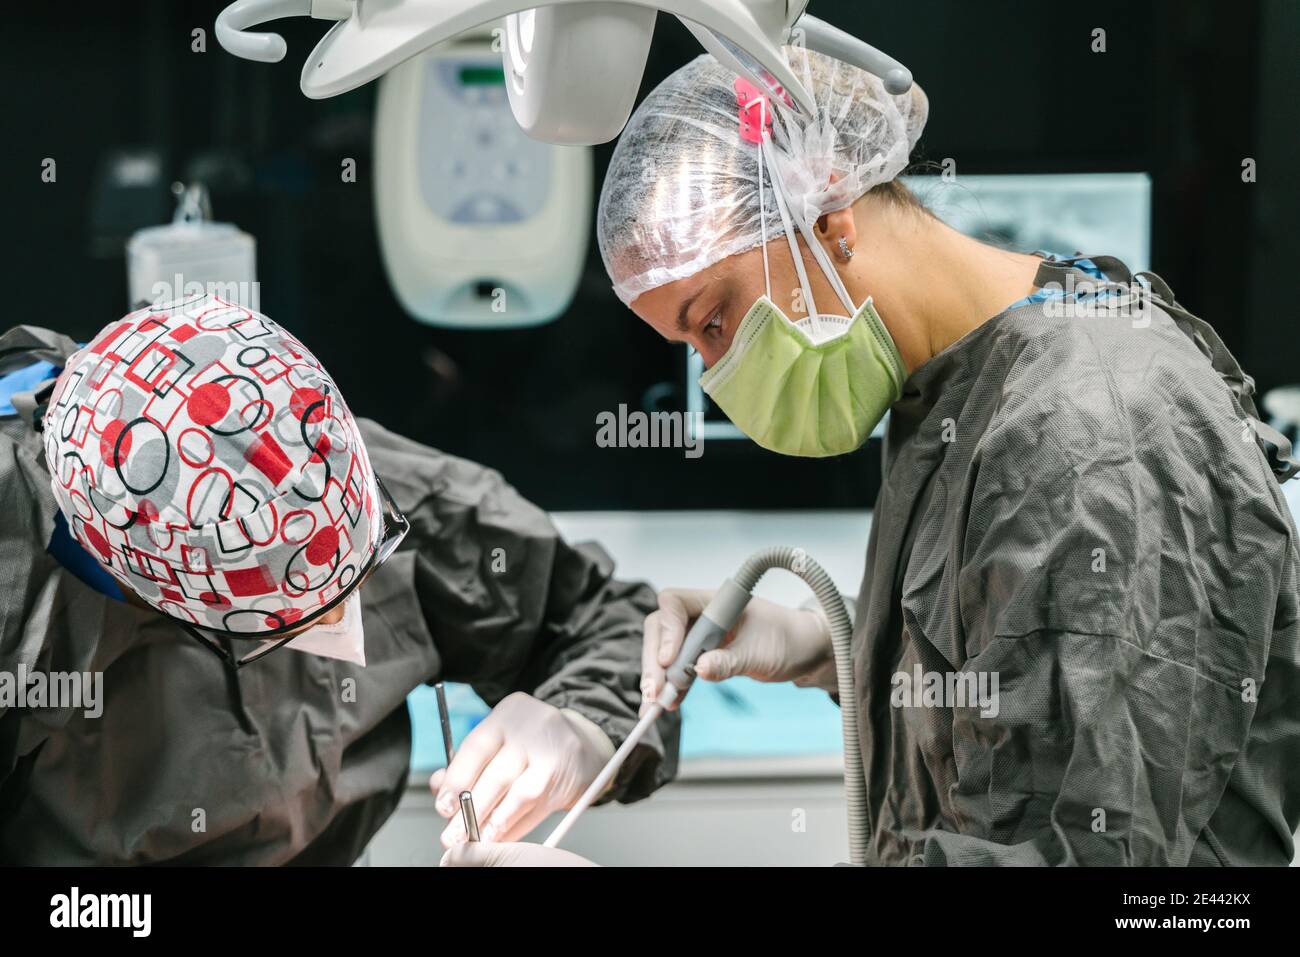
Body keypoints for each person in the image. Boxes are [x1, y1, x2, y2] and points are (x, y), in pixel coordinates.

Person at [448, 47, 1300, 866]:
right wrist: (829, 646)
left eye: (712, 322)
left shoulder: (1097, 433)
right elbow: (1022, 656)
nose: (713, 376)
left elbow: (1079, 847)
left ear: (830, 220)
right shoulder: (954, 382)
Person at [0, 296, 677, 864]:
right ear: (157, 597)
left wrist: (581, 725)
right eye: (286, 620)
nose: (344, 622)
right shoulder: (23, 581)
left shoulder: (303, 454)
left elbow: (601, 617)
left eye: (357, 571)